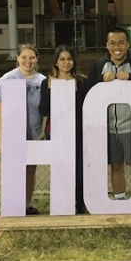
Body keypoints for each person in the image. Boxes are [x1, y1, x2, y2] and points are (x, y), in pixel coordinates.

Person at [85, 27, 131, 200]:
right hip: (107, 128)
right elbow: (87, 92)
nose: (117, 47)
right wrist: (101, 79)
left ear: (128, 44)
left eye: (121, 43)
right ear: (107, 45)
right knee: (116, 165)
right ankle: (120, 199)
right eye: (113, 43)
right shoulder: (99, 65)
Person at [0, 44, 46, 215]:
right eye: (24, 57)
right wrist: (1, 138)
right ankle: (12, 204)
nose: (28, 61)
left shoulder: (42, 81)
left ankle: (26, 204)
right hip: (14, 134)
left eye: (32, 57)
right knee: (15, 169)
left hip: (34, 132)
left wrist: (42, 131)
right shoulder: (6, 80)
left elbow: (46, 110)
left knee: (31, 169)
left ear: (36, 59)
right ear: (17, 58)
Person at [38, 45, 87, 214]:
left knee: (79, 169)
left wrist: (75, 92)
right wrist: (51, 90)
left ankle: (80, 203)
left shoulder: (81, 81)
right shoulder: (47, 82)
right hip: (56, 131)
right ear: (56, 62)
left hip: (78, 131)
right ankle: (62, 202)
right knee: (61, 168)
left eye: (69, 59)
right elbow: (43, 110)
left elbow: (85, 108)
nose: (66, 62)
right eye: (62, 59)